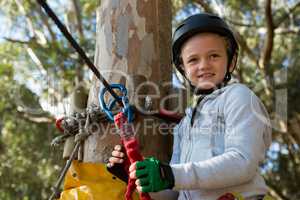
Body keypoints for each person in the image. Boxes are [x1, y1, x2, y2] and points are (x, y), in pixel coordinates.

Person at [107, 13, 272, 200]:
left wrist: (169, 174)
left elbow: (243, 162)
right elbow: (173, 193)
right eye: (193, 60)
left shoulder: (239, 96)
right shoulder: (184, 125)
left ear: (231, 61)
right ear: (183, 68)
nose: (204, 65)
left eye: (214, 56)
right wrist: (135, 175)